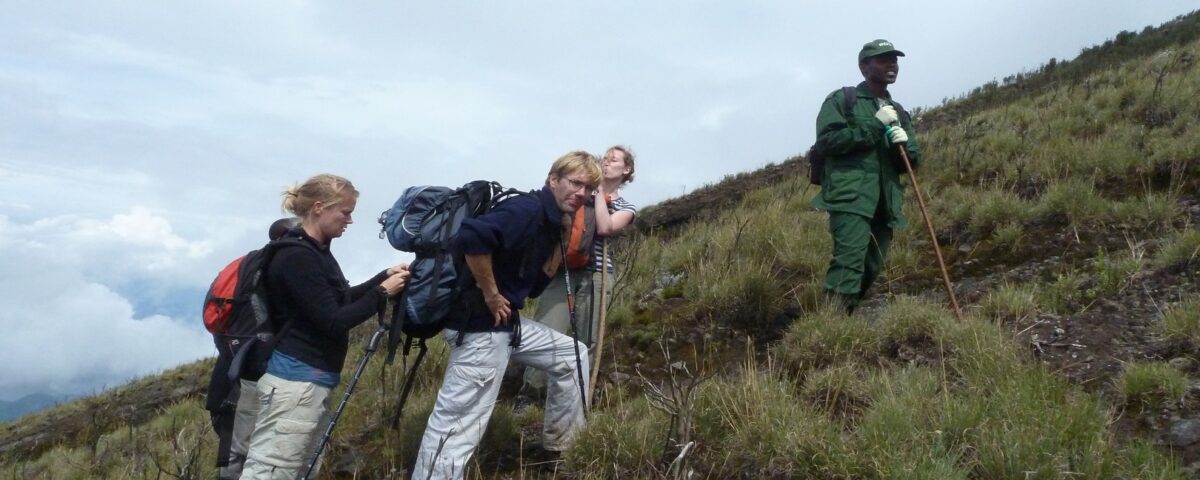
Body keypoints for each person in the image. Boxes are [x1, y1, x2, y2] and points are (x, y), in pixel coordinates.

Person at [411, 151, 602, 480]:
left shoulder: (551, 222)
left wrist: (564, 236)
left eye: (588, 189)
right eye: (575, 183)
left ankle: (560, 448)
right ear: (553, 180)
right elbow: (471, 237)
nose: (581, 193)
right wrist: (491, 293)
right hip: (479, 329)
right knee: (458, 425)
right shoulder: (526, 210)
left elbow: (535, 287)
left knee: (574, 356)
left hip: (505, 326)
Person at [241, 174, 409, 480]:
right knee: (271, 471)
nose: (350, 220)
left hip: (307, 382)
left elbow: (336, 299)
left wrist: (382, 277)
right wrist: (383, 292)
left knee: (298, 468)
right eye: (345, 212)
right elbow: (334, 321)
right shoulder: (296, 257)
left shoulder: (314, 251)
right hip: (296, 385)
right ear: (319, 208)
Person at [518, 145, 638, 407]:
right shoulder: (579, 191)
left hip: (597, 274)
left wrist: (600, 196)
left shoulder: (625, 206)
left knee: (588, 340)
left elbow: (605, 228)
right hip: (562, 270)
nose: (606, 162)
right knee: (547, 330)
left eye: (613, 160)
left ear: (626, 169)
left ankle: (574, 398)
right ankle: (530, 395)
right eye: (604, 158)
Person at [811, 39, 922, 313]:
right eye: (883, 60)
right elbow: (828, 141)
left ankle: (843, 314)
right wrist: (875, 126)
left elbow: (913, 161)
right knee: (849, 259)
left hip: (885, 202)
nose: (892, 65)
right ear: (864, 66)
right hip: (851, 197)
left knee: (873, 264)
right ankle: (831, 327)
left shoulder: (899, 112)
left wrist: (903, 145)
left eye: (894, 60)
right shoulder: (842, 100)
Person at [208, 217, 298, 480]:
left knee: (236, 448)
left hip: (230, 366)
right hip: (255, 369)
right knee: (248, 449)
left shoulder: (248, 262)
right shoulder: (277, 267)